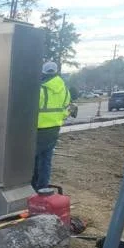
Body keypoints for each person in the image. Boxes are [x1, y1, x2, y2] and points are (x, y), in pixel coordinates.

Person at [34, 61, 71, 191]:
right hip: (54, 128)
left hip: (38, 129)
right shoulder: (64, 89)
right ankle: (43, 187)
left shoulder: (41, 89)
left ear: (43, 72)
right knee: (46, 159)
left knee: (32, 159)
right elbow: (66, 109)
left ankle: (32, 186)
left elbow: (31, 109)